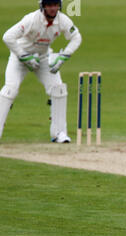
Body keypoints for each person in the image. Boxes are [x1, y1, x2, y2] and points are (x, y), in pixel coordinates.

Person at [0, 0, 82, 143]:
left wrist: (64, 56)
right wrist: (23, 56)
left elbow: (76, 37)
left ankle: (59, 133)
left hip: (43, 57)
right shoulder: (31, 19)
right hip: (20, 58)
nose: (52, 8)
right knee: (10, 90)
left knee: (59, 89)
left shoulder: (62, 20)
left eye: (55, 4)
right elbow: (7, 36)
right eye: (49, 5)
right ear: (43, 6)